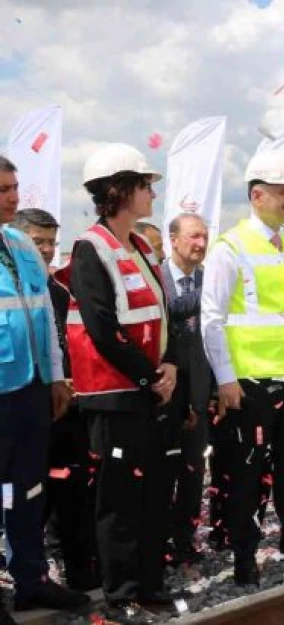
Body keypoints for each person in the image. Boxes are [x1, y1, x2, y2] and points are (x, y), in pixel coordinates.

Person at [200, 150, 284, 587]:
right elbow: (212, 317)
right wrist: (225, 377)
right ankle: (244, 555)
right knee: (246, 472)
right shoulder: (231, 247)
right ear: (257, 195)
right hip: (252, 382)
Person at [64, 144, 181, 622]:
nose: (152, 191)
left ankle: (150, 585)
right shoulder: (90, 248)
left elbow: (161, 315)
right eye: (144, 184)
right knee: (119, 501)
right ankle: (121, 595)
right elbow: (101, 326)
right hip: (117, 395)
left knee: (153, 493)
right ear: (119, 190)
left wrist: (169, 364)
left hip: (150, 389)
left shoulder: (142, 246)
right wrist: (150, 374)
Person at [0, 159, 90, 620]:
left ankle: (31, 580)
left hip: (31, 386)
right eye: (3, 190)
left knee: (28, 489)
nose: (14, 197)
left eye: (14, 187)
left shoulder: (19, 244)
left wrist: (56, 376)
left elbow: (44, 318)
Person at [12, 208, 99, 591]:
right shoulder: (14, 287)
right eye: (38, 240)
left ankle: (78, 572)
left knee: (72, 494)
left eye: (51, 242)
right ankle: (30, 576)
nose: (45, 249)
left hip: (65, 408)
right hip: (19, 407)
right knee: (26, 497)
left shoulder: (61, 291)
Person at [159, 214, 217, 566]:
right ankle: (157, 539)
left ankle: (185, 540)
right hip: (160, 398)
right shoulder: (154, 279)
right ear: (174, 240)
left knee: (193, 474)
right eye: (194, 236)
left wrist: (209, 394)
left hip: (198, 395)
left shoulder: (210, 280)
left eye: (205, 237)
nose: (200, 244)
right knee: (160, 474)